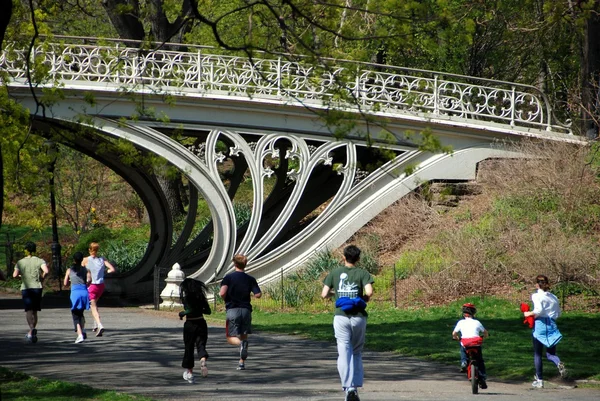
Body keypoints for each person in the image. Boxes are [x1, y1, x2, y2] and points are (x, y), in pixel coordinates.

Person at [321, 245, 374, 401]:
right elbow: (369, 292)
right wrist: (363, 297)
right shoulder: (363, 273)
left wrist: (336, 293)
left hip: (341, 317)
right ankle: (355, 387)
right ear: (358, 258)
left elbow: (324, 294)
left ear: (344, 257)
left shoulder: (335, 273)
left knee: (344, 353)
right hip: (358, 317)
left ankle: (348, 387)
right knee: (356, 352)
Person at [523, 274, 567, 388]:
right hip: (552, 324)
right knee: (550, 354)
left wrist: (529, 313)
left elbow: (539, 310)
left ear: (537, 284)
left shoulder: (536, 296)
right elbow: (558, 313)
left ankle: (540, 380)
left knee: (537, 354)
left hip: (540, 325)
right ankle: (558, 363)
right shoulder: (554, 297)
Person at [219, 254, 262, 370]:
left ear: (234, 264)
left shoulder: (228, 277)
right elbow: (258, 294)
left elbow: (222, 293)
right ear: (245, 264)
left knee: (230, 336)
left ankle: (240, 344)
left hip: (232, 309)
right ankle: (241, 363)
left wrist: (226, 299)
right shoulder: (250, 279)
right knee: (244, 335)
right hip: (246, 310)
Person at [12, 241, 49, 343]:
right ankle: (31, 331)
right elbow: (46, 271)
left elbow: (14, 275)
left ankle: (31, 329)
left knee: (28, 310)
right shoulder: (39, 260)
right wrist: (42, 277)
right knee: (35, 310)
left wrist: (22, 276)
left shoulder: (20, 262)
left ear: (26, 250)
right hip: (37, 287)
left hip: (26, 288)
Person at [179, 278, 212, 384]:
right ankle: (202, 361)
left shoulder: (186, 298)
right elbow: (208, 311)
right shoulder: (201, 298)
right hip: (201, 323)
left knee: (189, 347)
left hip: (190, 324)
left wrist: (183, 313)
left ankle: (189, 372)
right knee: (201, 345)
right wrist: (200, 310)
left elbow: (189, 310)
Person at [452, 303, 489, 390]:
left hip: (466, 343)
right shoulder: (477, 322)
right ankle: (482, 377)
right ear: (473, 313)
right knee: (480, 361)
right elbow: (485, 332)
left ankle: (464, 361)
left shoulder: (461, 322)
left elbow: (454, 333)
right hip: (476, 343)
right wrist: (485, 336)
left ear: (463, 313)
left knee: (462, 348)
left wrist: (456, 338)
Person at [82, 242, 116, 336]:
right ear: (97, 250)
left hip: (91, 286)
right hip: (100, 285)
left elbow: (81, 271)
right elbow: (112, 269)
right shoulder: (102, 259)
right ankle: (95, 324)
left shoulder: (85, 260)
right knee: (95, 305)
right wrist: (104, 272)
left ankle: (100, 324)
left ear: (89, 249)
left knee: (93, 307)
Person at [63, 252, 91, 343]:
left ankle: (79, 335)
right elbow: (89, 280)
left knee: (75, 315)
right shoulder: (86, 270)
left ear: (74, 260)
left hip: (75, 293)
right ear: (82, 259)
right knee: (81, 313)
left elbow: (65, 284)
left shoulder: (69, 270)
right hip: (84, 291)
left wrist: (71, 281)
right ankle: (82, 329)